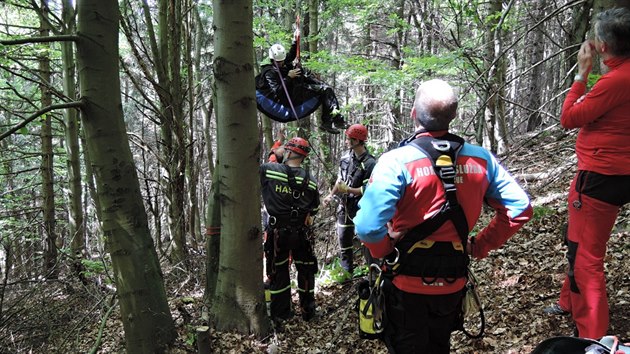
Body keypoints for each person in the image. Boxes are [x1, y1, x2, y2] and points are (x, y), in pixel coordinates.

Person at [353, 79, 533, 353]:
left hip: (406, 285)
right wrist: (479, 245)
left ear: (414, 113)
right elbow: (520, 208)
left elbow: (367, 227)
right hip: (452, 284)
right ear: (454, 115)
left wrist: (384, 248)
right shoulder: (481, 159)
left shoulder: (396, 161)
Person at [543, 7, 630, 340]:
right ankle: (569, 301)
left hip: (600, 176)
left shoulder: (615, 81)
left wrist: (582, 75)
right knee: (577, 242)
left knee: (587, 258)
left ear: (604, 46)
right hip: (619, 174)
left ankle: (593, 338)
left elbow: (569, 118)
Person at [261, 137, 320, 322]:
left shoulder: (269, 170)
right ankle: (308, 312)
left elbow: (254, 174)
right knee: (306, 271)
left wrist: (273, 154)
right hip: (302, 234)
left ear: (289, 152)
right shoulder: (311, 180)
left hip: (278, 233)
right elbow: (314, 209)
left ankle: (281, 314)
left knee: (278, 272)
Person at [255, 30, 347, 134]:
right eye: (278, 62)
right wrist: (289, 77)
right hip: (287, 98)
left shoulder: (282, 62)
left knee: (326, 89)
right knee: (325, 90)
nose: (281, 63)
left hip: (293, 89)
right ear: (272, 60)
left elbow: (290, 56)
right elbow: (278, 90)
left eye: (282, 61)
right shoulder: (269, 72)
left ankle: (334, 120)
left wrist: (295, 40)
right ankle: (331, 121)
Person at [323, 124, 377, 280]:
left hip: (361, 208)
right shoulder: (345, 159)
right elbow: (340, 180)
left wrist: (349, 190)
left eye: (349, 138)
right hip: (343, 206)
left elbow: (367, 189)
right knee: (343, 240)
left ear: (358, 140)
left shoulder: (370, 164)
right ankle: (347, 275)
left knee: (366, 241)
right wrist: (331, 195)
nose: (346, 141)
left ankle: (373, 274)